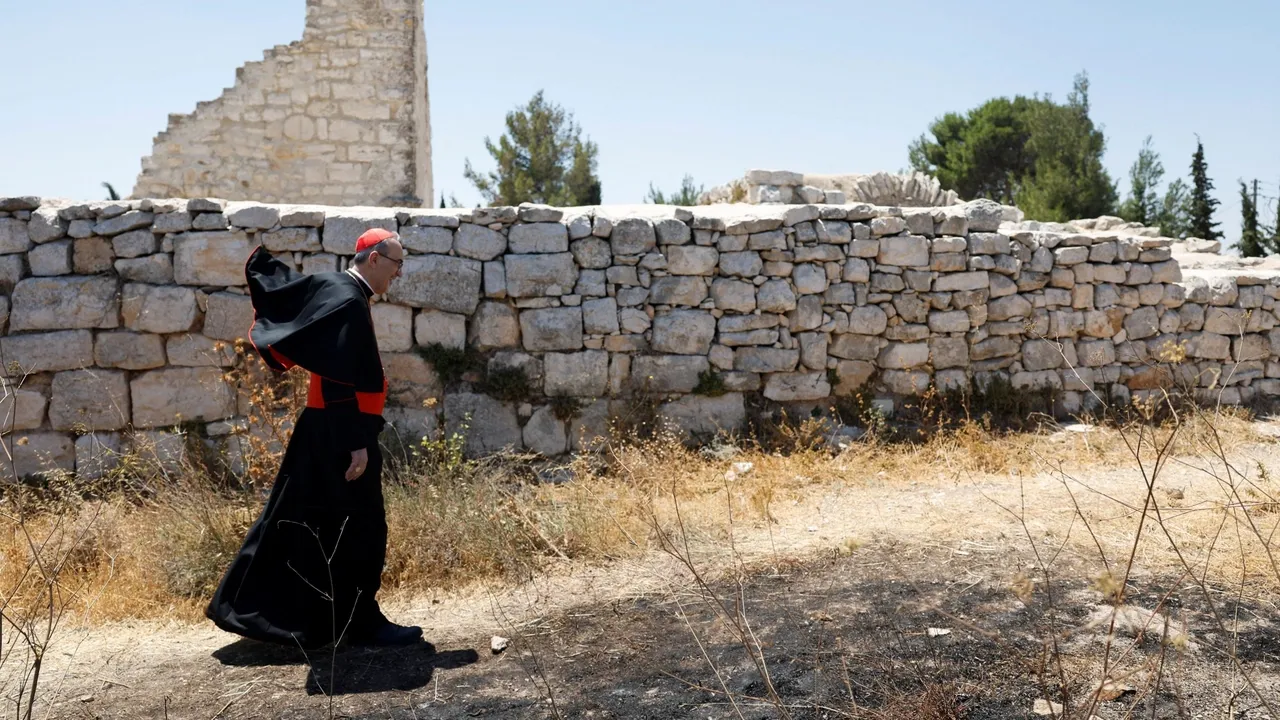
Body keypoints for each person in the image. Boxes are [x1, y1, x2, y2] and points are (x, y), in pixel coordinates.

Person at [206, 228, 422, 649]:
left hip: (324, 429)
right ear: (374, 259)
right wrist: (355, 441)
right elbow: (338, 377)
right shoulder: (347, 300)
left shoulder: (335, 287)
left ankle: (254, 610)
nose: (399, 273)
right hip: (340, 432)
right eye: (397, 264)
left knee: (302, 523)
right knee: (360, 529)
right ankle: (361, 625)